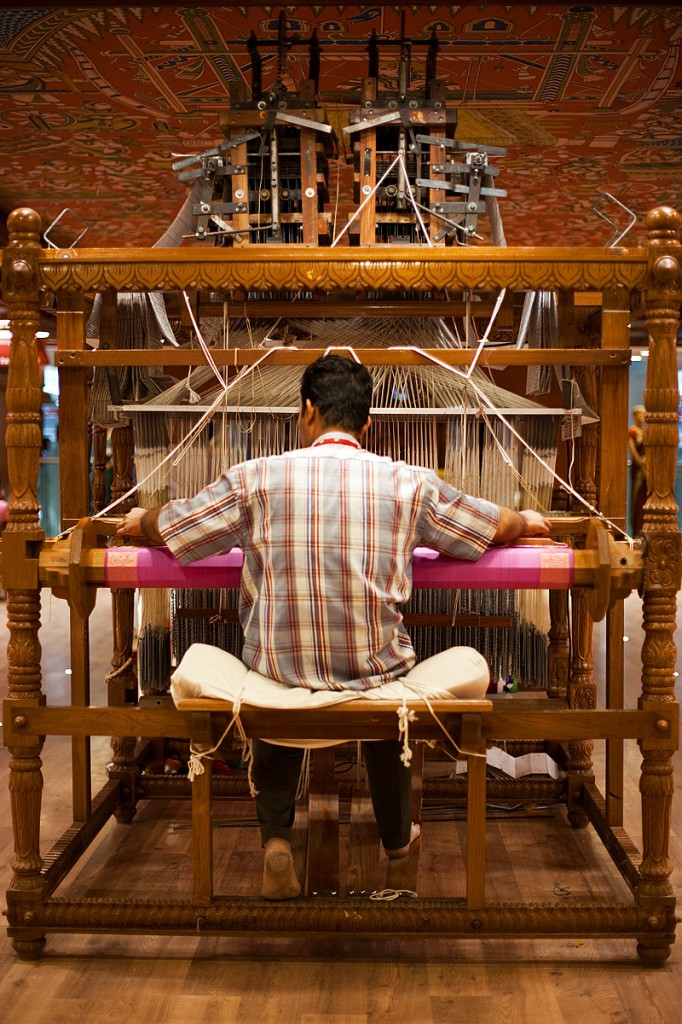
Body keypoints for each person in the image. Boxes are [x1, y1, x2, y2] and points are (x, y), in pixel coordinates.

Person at [118, 355, 550, 899]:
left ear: (306, 412)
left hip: (280, 681)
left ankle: (276, 842)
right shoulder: (408, 483)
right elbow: (493, 525)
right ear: (367, 425)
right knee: (389, 689)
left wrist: (144, 521)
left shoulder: (256, 478)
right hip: (372, 679)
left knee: (275, 672)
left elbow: (177, 525)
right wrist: (524, 522)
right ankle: (397, 844)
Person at [628, 404, 647, 536]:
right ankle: (636, 530)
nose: (643, 417)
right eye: (640, 414)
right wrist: (640, 461)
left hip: (647, 468)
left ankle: (644, 528)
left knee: (645, 496)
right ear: (635, 416)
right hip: (637, 468)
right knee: (636, 497)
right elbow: (633, 451)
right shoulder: (632, 432)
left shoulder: (646, 432)